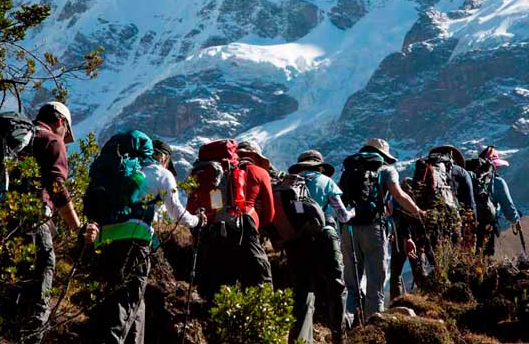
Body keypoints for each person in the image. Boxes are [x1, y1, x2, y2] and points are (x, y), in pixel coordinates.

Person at [84, 133, 205, 344]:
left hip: (105, 240)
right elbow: (176, 211)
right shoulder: (161, 174)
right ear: (165, 159)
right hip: (134, 242)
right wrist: (197, 221)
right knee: (126, 301)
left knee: (127, 301)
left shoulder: (127, 171)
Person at [339, 138, 425, 323]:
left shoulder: (350, 168)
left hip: (349, 229)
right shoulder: (386, 170)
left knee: (351, 285)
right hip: (373, 229)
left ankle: (343, 327)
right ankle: (373, 329)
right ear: (383, 155)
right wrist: (418, 211)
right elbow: (399, 195)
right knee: (375, 285)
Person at [20, 101, 81, 343]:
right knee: (41, 276)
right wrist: (76, 227)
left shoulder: (21, 138)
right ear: (60, 122)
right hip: (34, 220)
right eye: (66, 133)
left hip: (0, 221)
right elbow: (57, 186)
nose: (65, 139)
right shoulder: (51, 141)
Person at [286, 150, 355, 344]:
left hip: (299, 240)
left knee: (304, 289)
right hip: (325, 235)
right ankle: (338, 335)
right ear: (320, 167)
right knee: (336, 285)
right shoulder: (326, 181)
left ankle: (301, 338)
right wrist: (353, 213)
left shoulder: (292, 184)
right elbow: (342, 215)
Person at [196, 140, 275, 301]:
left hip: (217, 230)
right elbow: (270, 213)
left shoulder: (221, 172)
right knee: (258, 279)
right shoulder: (259, 172)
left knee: (223, 282)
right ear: (255, 155)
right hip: (247, 228)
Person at [472, 146, 521, 256]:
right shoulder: (498, 182)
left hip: (468, 226)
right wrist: (515, 219)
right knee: (484, 258)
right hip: (487, 226)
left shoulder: (471, 179)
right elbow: (508, 207)